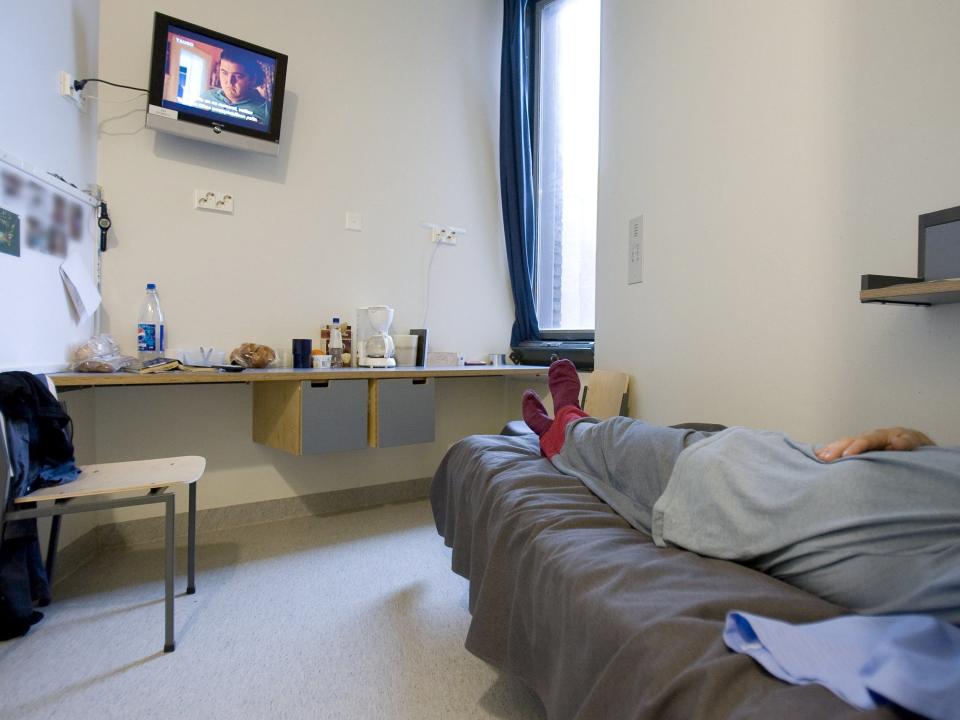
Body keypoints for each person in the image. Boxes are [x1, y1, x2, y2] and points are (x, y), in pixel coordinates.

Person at [523, 360, 960, 622]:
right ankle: (569, 423)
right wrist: (915, 444)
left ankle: (565, 424)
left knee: (615, 441)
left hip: (728, 494)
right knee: (623, 438)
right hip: (779, 459)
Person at [199, 48, 270, 127]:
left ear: (253, 79)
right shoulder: (205, 97)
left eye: (238, 76)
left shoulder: (266, 112)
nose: (229, 82)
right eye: (224, 73)